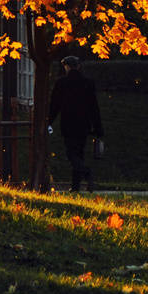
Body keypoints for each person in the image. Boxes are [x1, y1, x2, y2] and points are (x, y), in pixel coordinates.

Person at [47, 55, 104, 192]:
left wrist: (48, 121)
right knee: (79, 153)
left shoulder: (61, 83)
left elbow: (55, 106)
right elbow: (94, 107)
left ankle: (86, 173)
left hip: (68, 123)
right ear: (78, 66)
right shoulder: (88, 83)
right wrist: (98, 127)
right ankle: (76, 186)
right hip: (84, 124)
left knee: (71, 154)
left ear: (66, 67)